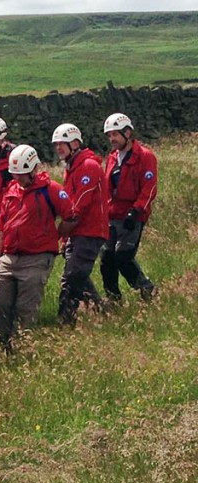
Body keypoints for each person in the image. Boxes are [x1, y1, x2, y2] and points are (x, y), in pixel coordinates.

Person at [0, 144, 72, 348]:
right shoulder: (11, 191)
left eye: (22, 174)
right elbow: (2, 227)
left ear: (34, 169)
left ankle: (23, 350)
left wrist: (55, 236)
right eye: (15, 174)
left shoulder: (51, 189)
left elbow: (70, 216)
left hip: (36, 259)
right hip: (9, 258)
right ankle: (4, 347)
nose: (18, 178)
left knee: (25, 308)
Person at [51, 123, 109, 325]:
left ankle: (65, 321)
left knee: (72, 277)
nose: (58, 148)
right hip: (77, 232)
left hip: (90, 232)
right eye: (56, 144)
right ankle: (103, 312)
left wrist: (59, 232)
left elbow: (78, 206)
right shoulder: (72, 168)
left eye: (62, 143)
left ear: (75, 143)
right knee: (79, 277)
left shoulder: (88, 166)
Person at [101, 112, 158, 301]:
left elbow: (149, 188)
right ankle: (113, 298)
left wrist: (136, 211)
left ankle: (146, 288)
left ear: (127, 133)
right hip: (112, 215)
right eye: (109, 135)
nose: (112, 139)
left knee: (123, 257)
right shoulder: (112, 158)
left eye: (115, 134)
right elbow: (107, 189)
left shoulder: (145, 157)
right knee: (107, 258)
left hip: (133, 216)